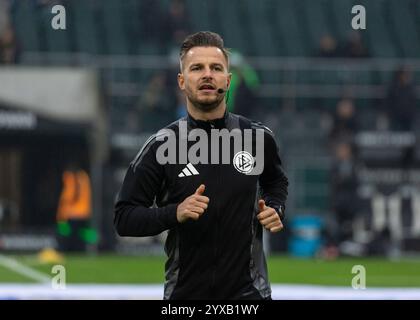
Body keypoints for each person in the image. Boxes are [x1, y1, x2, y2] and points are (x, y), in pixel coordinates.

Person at [114, 31, 288, 300]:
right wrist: (174, 212)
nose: (208, 75)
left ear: (228, 81)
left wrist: (275, 207)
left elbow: (276, 182)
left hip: (249, 296)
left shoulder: (257, 138)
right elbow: (124, 218)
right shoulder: (162, 145)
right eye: (197, 68)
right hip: (184, 298)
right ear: (182, 81)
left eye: (216, 68)